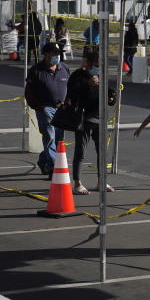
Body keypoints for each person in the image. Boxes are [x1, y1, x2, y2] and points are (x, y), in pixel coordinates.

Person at [66, 50, 117, 195]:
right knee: (80, 151)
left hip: (100, 118)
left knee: (102, 152)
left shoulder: (102, 76)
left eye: (100, 64)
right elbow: (71, 94)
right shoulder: (78, 76)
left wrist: (112, 99)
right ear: (88, 63)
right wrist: (87, 84)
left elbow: (109, 95)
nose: (98, 67)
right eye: (96, 63)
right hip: (83, 118)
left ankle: (102, 180)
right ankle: (77, 182)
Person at [24, 42, 71, 177]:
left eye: (58, 54)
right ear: (46, 55)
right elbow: (29, 92)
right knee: (49, 136)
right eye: (54, 54)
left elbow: (70, 88)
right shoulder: (36, 70)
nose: (57, 56)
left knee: (59, 139)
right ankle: (54, 168)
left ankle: (44, 159)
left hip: (61, 108)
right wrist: (39, 106)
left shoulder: (64, 68)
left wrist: (68, 102)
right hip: (46, 108)